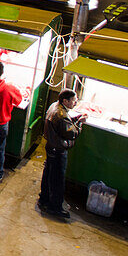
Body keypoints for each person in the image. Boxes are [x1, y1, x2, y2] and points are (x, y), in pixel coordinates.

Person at [39, 89, 86, 220]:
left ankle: (44, 198)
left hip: (51, 147)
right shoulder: (61, 115)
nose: (75, 102)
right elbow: (71, 133)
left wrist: (75, 119)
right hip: (58, 149)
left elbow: (63, 126)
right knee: (57, 179)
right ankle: (55, 207)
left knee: (49, 173)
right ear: (65, 101)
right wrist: (80, 123)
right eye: (74, 100)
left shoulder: (55, 106)